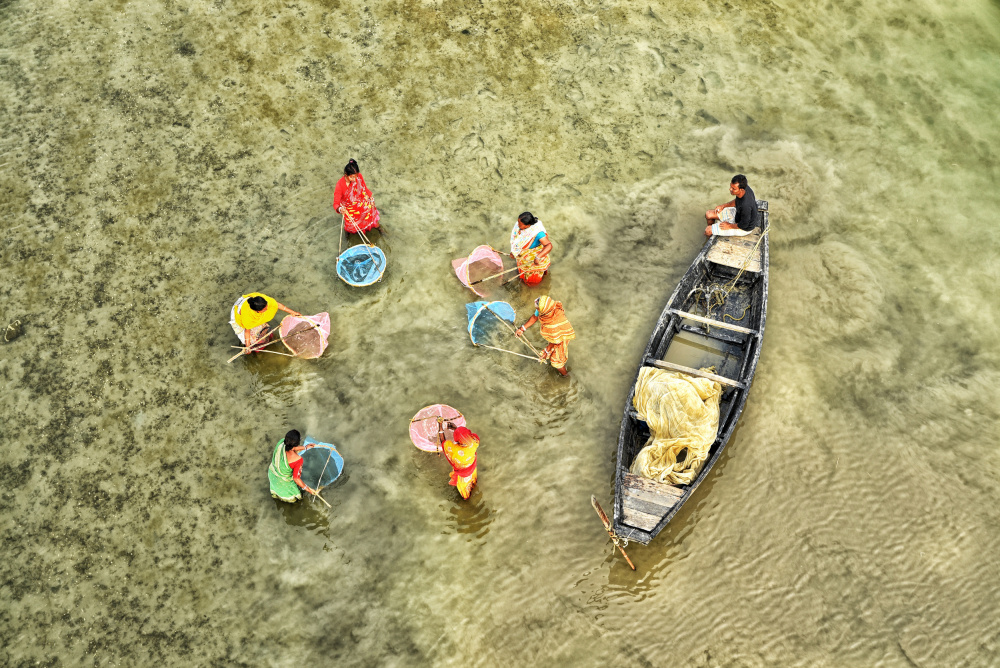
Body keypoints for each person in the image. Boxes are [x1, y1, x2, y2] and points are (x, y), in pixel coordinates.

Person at [516, 295, 576, 376]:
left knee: (557, 361)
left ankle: (566, 375)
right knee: (551, 351)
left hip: (561, 337)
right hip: (555, 335)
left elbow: (556, 341)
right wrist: (522, 329)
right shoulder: (549, 306)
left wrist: (547, 351)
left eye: (537, 309)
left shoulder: (553, 324)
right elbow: (535, 317)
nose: (536, 310)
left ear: (543, 311)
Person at [229, 292, 301, 349]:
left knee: (265, 332)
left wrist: (293, 313)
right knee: (255, 342)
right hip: (240, 315)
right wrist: (248, 346)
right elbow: (247, 330)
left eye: (266, 307)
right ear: (257, 311)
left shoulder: (263, 300)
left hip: (247, 303)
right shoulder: (248, 316)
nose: (267, 309)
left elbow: (277, 305)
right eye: (264, 309)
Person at [268, 430, 318, 502]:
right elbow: (296, 479)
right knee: (293, 500)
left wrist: (305, 447)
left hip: (273, 474)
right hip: (284, 484)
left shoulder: (281, 442)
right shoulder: (297, 460)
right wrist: (308, 489)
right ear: (297, 444)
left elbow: (290, 447)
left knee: (275, 494)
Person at [333, 158, 380, 235]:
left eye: (356, 176)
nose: (355, 179)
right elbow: (336, 204)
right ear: (346, 175)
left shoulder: (359, 176)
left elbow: (364, 188)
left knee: (371, 214)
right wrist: (340, 209)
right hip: (350, 209)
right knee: (351, 226)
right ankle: (348, 235)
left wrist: (371, 198)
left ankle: (379, 229)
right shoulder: (339, 185)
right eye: (352, 177)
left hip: (362, 203)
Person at [438, 421, 480, 499]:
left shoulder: (455, 450)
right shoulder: (474, 442)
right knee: (471, 480)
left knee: (464, 488)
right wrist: (456, 429)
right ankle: (473, 484)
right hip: (472, 466)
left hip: (464, 474)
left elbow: (443, 442)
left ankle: (466, 497)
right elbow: (465, 436)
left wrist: (440, 426)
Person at [509, 211, 553, 285]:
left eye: (520, 224)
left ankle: (533, 289)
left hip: (532, 259)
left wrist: (538, 257)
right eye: (518, 222)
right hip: (522, 255)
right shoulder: (519, 226)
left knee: (532, 282)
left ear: (528, 225)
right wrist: (513, 252)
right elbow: (515, 239)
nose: (518, 225)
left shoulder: (538, 233)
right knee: (522, 273)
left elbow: (549, 245)